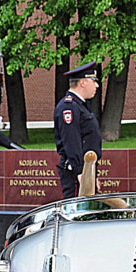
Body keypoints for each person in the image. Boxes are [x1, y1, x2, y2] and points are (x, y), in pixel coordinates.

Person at [53, 61, 102, 198]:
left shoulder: (79, 105)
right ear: (83, 82)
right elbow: (71, 140)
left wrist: (92, 174)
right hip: (77, 171)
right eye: (94, 81)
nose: (97, 85)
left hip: (86, 170)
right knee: (75, 214)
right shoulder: (69, 107)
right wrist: (81, 172)